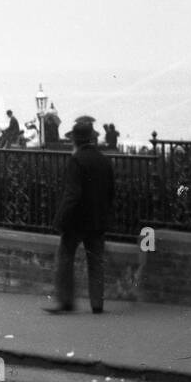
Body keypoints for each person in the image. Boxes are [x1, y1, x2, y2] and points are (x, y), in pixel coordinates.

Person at [46, 116, 114, 314]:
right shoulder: (104, 160)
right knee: (96, 262)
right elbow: (111, 192)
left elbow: (72, 194)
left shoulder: (76, 160)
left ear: (75, 140)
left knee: (65, 257)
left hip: (77, 221)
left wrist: (60, 219)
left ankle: (66, 301)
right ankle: (97, 304)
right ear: (92, 138)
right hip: (97, 220)